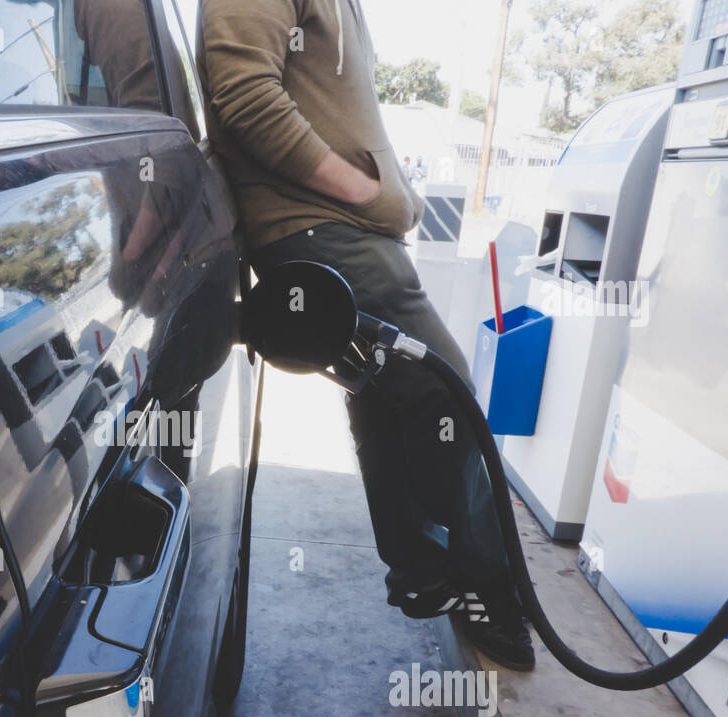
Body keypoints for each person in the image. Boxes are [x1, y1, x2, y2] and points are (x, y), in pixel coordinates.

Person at [198, 0, 534, 669]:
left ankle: (423, 567)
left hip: (339, 229)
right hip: (317, 226)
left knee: (383, 390)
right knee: (445, 389)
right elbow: (243, 94)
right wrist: (362, 191)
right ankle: (486, 590)